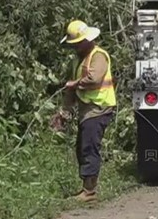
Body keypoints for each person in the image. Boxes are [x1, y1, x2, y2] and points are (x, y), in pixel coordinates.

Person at [52, 20, 116, 203]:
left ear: (87, 40)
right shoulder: (77, 60)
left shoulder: (99, 56)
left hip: (99, 108)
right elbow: (71, 90)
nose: (76, 47)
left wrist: (74, 83)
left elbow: (94, 79)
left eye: (78, 44)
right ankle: (87, 187)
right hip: (86, 109)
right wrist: (64, 112)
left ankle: (90, 191)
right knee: (81, 147)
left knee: (89, 146)